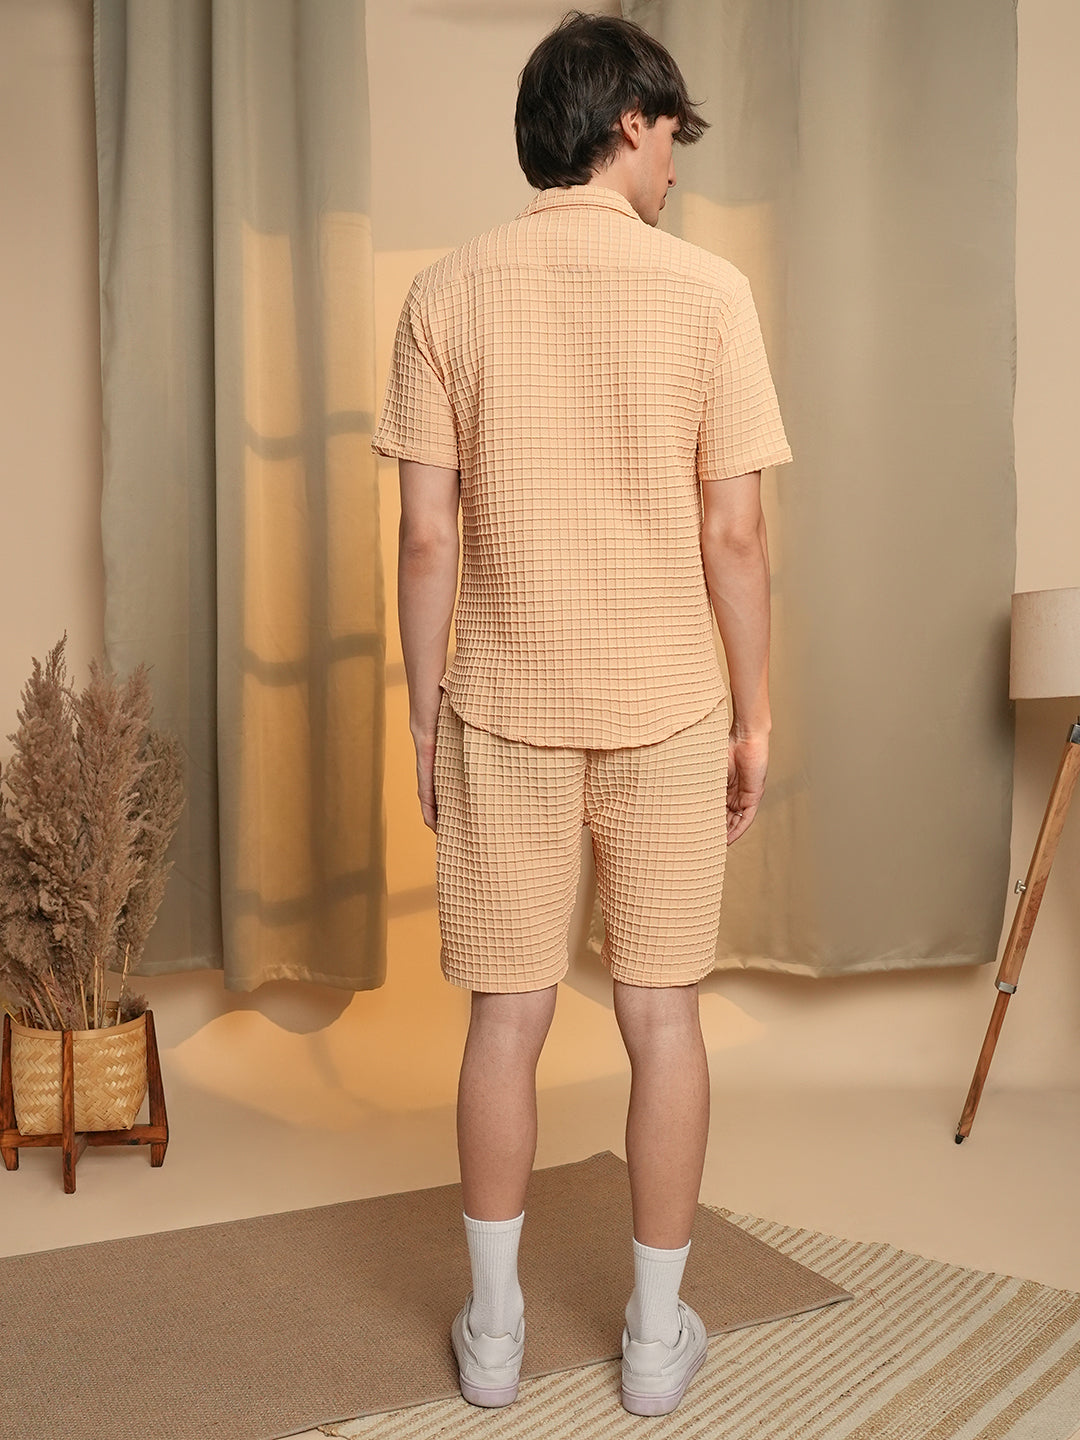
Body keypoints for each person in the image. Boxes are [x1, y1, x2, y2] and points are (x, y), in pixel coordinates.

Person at [370, 9, 793, 1419]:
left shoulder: (444, 294)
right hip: (668, 705)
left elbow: (425, 539)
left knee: (508, 1018)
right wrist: (754, 713)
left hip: (500, 704)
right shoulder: (710, 293)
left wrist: (423, 720)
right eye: (672, 136)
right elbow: (735, 534)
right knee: (663, 1016)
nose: (676, 163)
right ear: (628, 124)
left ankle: (493, 1335)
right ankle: (655, 1340)